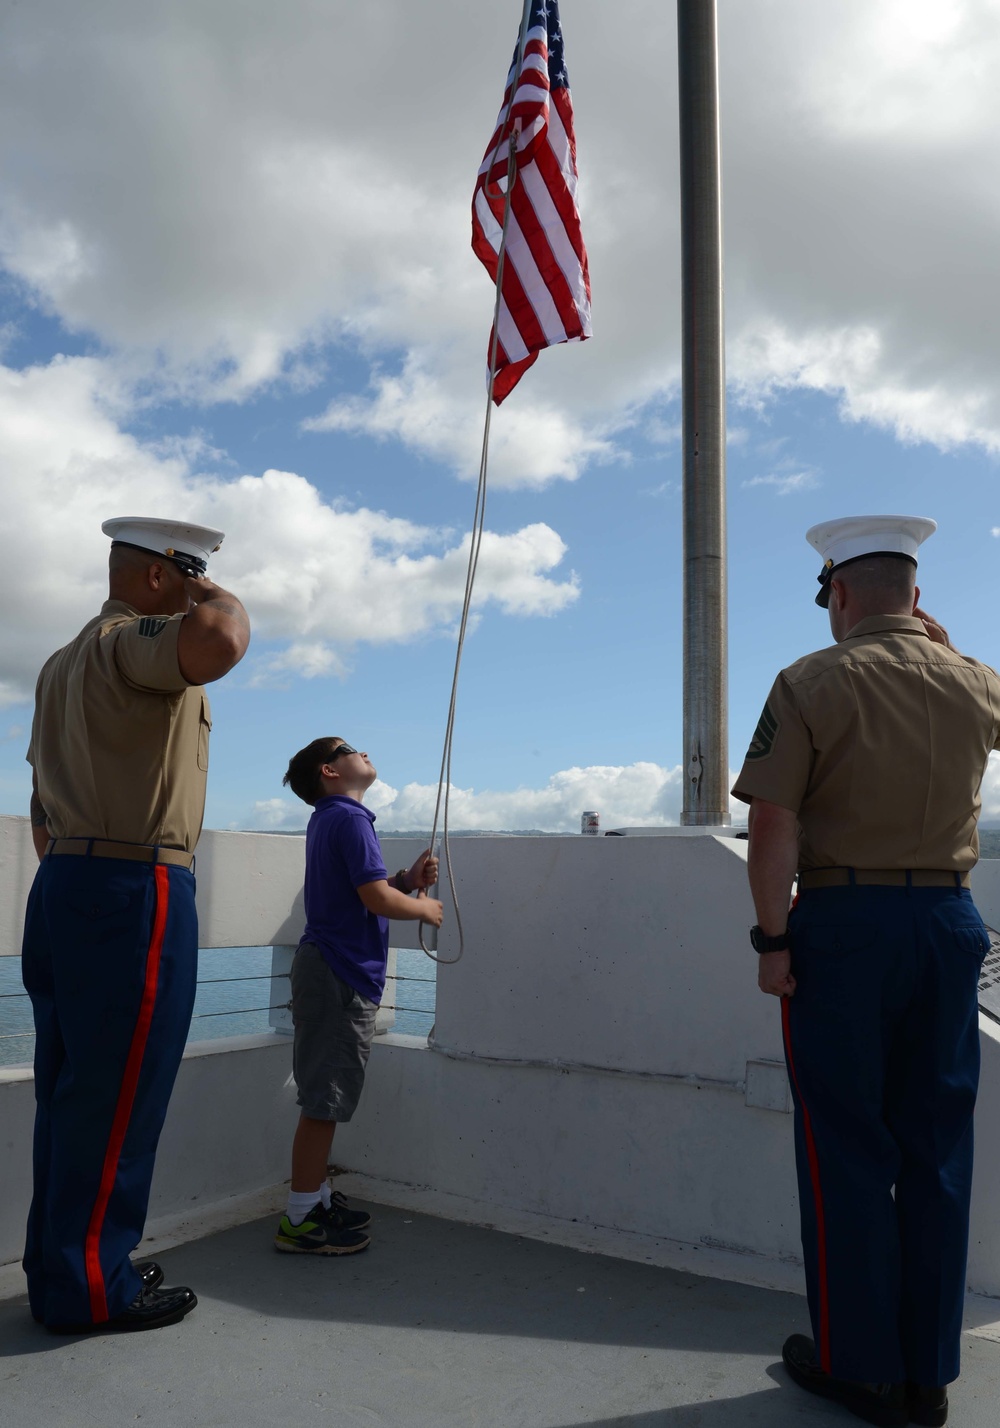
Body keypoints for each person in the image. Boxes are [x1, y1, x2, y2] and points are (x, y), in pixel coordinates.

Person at [732, 514, 1000, 1428]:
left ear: (838, 594)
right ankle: (927, 1375)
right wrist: (954, 654)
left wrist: (774, 946)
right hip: (950, 920)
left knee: (845, 1147)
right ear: (918, 598)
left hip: (845, 928)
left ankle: (860, 1368)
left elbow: (774, 825)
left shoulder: (811, 679)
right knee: (937, 1149)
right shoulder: (974, 681)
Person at [22, 516, 250, 1333]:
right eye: (190, 573)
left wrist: (79, 869)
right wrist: (219, 597)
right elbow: (217, 643)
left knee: (73, 1094)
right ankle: (91, 1291)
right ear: (160, 577)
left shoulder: (58, 665)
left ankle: (68, 1267)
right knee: (119, 1102)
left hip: (66, 884)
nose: (200, 587)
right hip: (133, 889)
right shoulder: (136, 640)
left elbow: (43, 810)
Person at [275, 736, 443, 1255]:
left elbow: (360, 888)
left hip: (327, 969)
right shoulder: (349, 819)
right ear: (330, 770)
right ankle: (300, 1217)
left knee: (325, 1094)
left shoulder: (331, 819)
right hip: (338, 973)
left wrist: (404, 880)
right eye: (351, 747)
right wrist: (423, 909)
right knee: (324, 1102)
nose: (364, 750)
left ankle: (316, 1197)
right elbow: (374, 899)